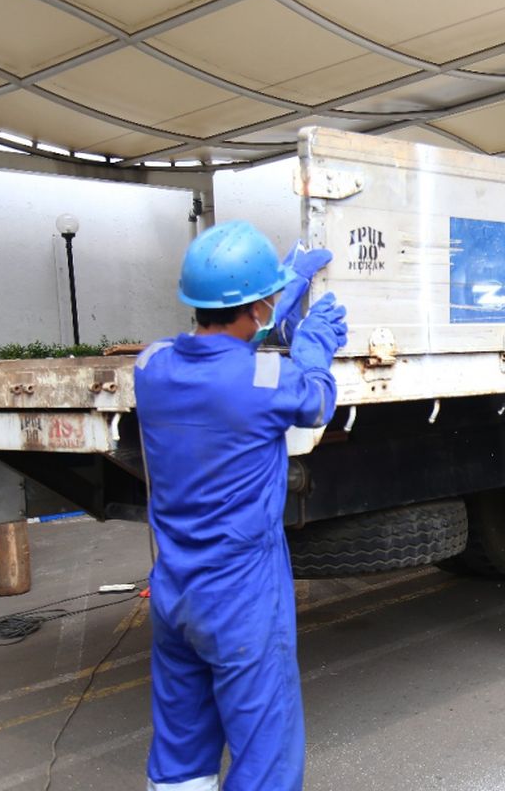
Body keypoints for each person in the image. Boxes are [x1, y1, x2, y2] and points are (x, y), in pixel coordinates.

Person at [135, 221, 348, 790]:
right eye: (269, 300)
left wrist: (269, 304)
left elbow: (217, 354)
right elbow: (317, 400)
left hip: (175, 592)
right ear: (256, 308)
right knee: (265, 755)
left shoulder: (151, 368)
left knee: (182, 745)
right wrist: (313, 342)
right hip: (241, 599)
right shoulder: (267, 378)